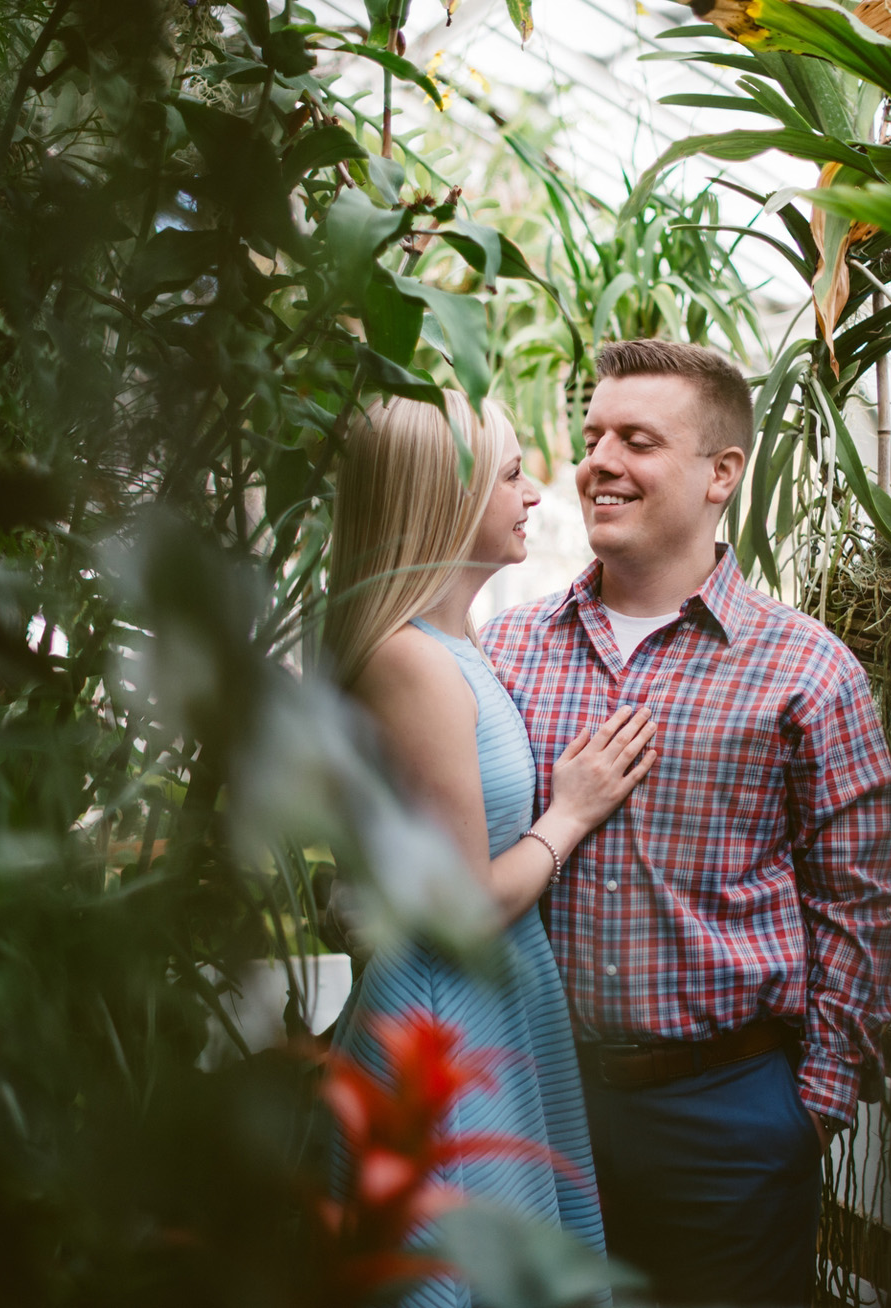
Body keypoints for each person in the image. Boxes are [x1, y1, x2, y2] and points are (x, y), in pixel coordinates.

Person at [482, 340, 891, 1306]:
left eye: (638, 439)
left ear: (722, 474)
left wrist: (812, 1107)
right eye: (593, 436)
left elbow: (865, 903)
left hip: (728, 1113)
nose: (600, 462)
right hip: (545, 1096)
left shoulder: (808, 671)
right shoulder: (508, 650)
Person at [321, 390, 656, 1308]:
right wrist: (571, 814)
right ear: (442, 496)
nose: (537, 493)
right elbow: (463, 902)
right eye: (512, 474)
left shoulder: (451, 643)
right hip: (448, 1008)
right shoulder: (411, 662)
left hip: (495, 1000)